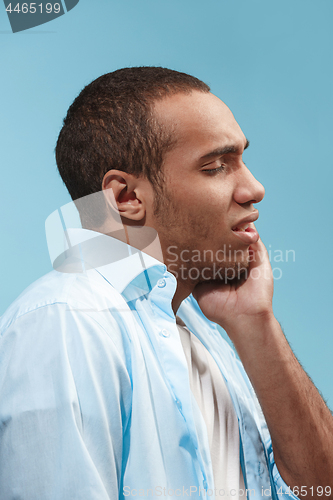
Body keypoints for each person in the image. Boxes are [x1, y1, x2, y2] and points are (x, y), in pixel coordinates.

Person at [0, 67, 332, 500]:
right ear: (127, 198)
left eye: (242, 160)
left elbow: (321, 488)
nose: (254, 188)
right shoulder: (66, 324)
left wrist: (254, 321)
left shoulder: (202, 330)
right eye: (216, 166)